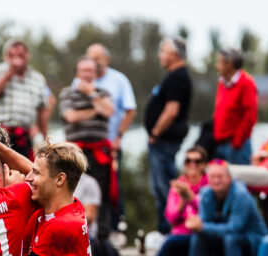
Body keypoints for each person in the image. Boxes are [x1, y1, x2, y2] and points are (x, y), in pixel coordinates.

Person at [81, 43, 137, 231]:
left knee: (110, 188)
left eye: (98, 58)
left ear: (106, 59)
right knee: (82, 186)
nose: (94, 62)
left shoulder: (118, 80)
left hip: (108, 144)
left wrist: (119, 136)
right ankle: (85, 228)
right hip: (82, 145)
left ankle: (113, 228)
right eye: (91, 58)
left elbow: (129, 110)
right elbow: (69, 114)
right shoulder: (79, 81)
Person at [60, 57, 115, 238]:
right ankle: (73, 228)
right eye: (84, 70)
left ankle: (102, 235)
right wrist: (96, 109)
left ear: (96, 73)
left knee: (102, 191)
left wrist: (92, 94)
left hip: (99, 151)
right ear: (78, 73)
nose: (87, 74)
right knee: (73, 188)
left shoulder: (103, 92)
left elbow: (108, 111)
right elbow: (71, 117)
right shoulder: (68, 93)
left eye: (90, 70)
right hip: (76, 150)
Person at [185, 160, 268, 256]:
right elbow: (203, 222)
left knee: (231, 239)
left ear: (229, 178)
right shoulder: (206, 193)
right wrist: (195, 224)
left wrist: (202, 226)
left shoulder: (241, 195)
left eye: (220, 177)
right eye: (212, 177)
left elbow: (234, 228)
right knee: (197, 237)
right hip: (224, 237)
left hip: (252, 241)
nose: (216, 180)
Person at [0, 40, 52, 158]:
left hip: (24, 137)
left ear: (27, 56)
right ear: (5, 57)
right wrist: (10, 73)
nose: (16, 60)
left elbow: (42, 111)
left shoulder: (37, 78)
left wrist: (44, 140)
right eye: (11, 56)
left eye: (20, 56)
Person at [146, 37, 192, 233]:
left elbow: (172, 110)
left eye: (163, 51)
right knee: (159, 185)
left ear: (174, 54)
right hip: (162, 140)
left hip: (164, 140)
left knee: (164, 185)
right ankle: (166, 227)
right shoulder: (173, 76)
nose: (160, 56)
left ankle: (169, 228)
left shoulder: (178, 78)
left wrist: (156, 132)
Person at [145, 147, 209, 256]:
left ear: (203, 165)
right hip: (179, 235)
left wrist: (191, 197)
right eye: (188, 161)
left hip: (198, 235)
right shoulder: (179, 185)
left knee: (169, 244)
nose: (192, 164)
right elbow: (171, 218)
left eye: (197, 161)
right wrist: (182, 202)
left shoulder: (208, 186)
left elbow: (208, 214)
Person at [228, 92, 268, 189]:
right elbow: (267, 145)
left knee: (227, 172)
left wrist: (263, 154)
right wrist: (261, 155)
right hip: (263, 167)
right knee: (221, 170)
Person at [212, 47, 258, 165]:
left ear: (230, 64)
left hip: (237, 146)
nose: (217, 66)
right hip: (220, 143)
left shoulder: (246, 83)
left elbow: (250, 117)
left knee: (238, 176)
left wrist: (237, 142)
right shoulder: (222, 82)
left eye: (220, 62)